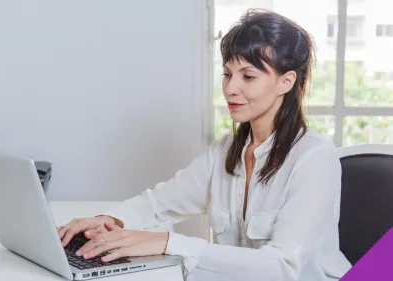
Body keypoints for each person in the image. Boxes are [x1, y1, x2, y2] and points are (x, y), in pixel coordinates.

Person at [57, 9, 352, 281]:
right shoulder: (226, 151)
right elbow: (158, 204)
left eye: (248, 76)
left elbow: (283, 266)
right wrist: (106, 221)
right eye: (227, 74)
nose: (230, 88)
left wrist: (170, 242)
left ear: (286, 82)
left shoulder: (314, 159)